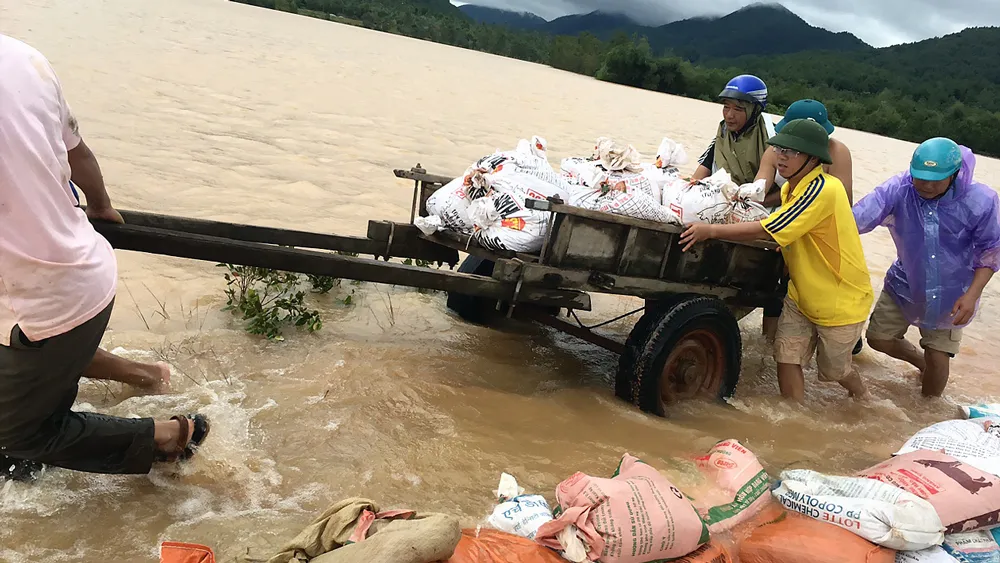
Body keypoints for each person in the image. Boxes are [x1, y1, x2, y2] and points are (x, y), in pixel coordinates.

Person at [0, 33, 209, 480]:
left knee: (17, 437)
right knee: (42, 351)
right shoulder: (23, 58)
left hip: (38, 303)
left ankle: (171, 435)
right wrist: (99, 208)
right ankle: (144, 373)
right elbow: (79, 153)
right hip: (86, 274)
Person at [678, 119, 874, 402]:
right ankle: (792, 416)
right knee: (786, 356)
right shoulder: (789, 189)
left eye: (792, 152)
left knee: (834, 371)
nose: (782, 157)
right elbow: (786, 233)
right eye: (780, 149)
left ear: (813, 159)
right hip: (802, 294)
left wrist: (711, 230)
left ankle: (864, 397)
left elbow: (768, 228)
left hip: (839, 299)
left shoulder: (824, 190)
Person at [854, 137, 1000, 397]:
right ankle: (920, 364)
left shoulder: (981, 201)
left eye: (935, 180)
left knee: (938, 354)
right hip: (905, 282)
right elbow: (857, 219)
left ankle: (927, 409)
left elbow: (990, 251)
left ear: (954, 175)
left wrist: (972, 295)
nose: (926, 185)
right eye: (920, 177)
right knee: (878, 338)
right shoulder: (900, 188)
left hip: (954, 292)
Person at [743, 100, 859, 350]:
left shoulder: (837, 153)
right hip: (782, 221)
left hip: (817, 231)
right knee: (778, 290)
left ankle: (845, 342)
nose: (788, 151)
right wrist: (741, 196)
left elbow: (843, 204)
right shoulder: (775, 150)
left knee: (827, 300)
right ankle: (769, 349)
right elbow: (758, 191)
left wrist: (797, 212)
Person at [692, 74, 774, 186]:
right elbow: (701, 172)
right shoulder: (723, 134)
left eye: (738, 109)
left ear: (755, 110)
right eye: (726, 107)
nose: (729, 115)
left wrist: (749, 200)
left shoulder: (772, 136)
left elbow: (786, 187)